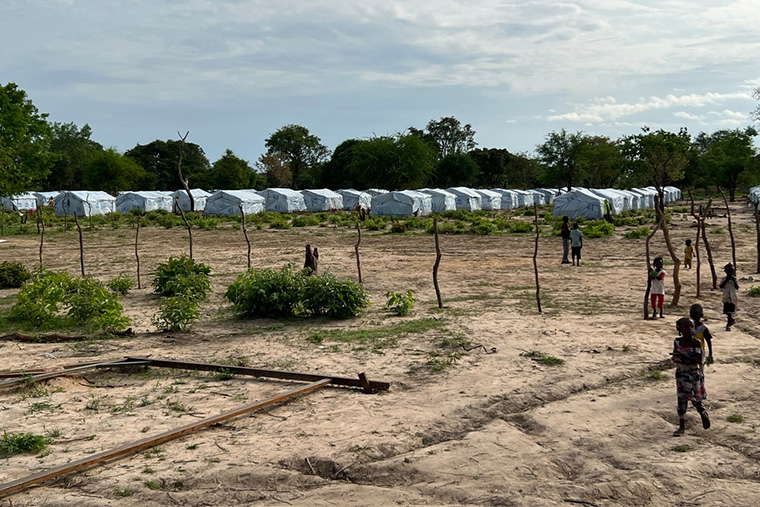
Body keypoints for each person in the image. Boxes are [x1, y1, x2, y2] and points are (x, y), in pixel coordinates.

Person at [671, 317, 710, 436]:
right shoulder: (678, 341)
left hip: (693, 373)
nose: (689, 329)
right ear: (680, 329)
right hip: (681, 373)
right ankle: (681, 426)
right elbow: (675, 356)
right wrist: (677, 358)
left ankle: (703, 412)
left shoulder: (696, 342)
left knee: (695, 398)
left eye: (691, 326)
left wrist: (684, 357)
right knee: (681, 398)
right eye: (686, 327)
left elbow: (698, 359)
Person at [719, 263, 739, 331]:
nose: (730, 273)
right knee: (727, 311)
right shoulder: (724, 279)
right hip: (726, 297)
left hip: (732, 297)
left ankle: (728, 324)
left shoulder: (735, 279)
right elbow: (721, 286)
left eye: (732, 271)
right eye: (729, 271)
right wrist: (727, 279)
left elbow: (737, 287)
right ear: (726, 271)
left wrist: (733, 280)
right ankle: (731, 320)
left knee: (730, 312)